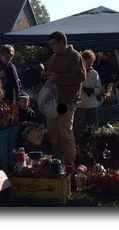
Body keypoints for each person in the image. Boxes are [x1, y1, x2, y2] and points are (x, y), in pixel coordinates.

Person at [44, 31, 86, 166]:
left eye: (53, 44)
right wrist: (46, 74)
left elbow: (80, 77)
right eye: (50, 44)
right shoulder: (53, 58)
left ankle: (69, 164)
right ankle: (57, 161)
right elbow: (51, 75)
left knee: (64, 133)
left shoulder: (75, 56)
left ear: (62, 42)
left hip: (66, 102)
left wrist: (59, 78)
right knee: (52, 132)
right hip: (52, 102)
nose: (51, 47)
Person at [73, 49, 102, 145]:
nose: (90, 64)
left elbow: (99, 88)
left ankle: (94, 146)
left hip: (92, 104)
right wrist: (82, 89)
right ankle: (77, 148)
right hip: (79, 105)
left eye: (91, 61)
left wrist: (93, 91)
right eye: (88, 61)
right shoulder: (77, 71)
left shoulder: (95, 73)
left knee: (94, 129)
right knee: (77, 130)